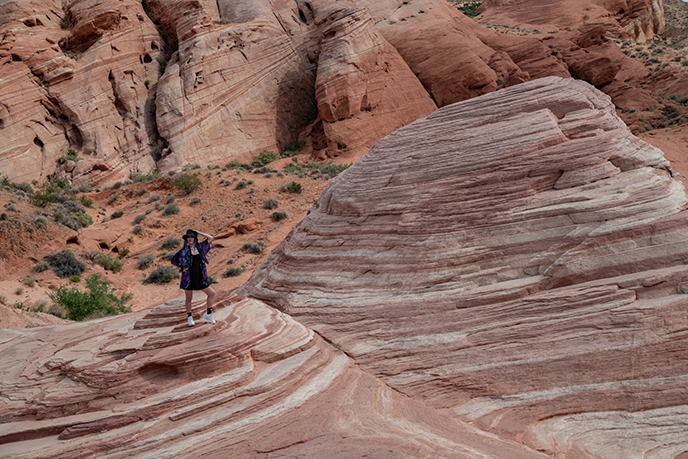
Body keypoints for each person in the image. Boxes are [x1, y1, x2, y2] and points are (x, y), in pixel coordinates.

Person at [171, 229, 217, 326]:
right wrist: (181, 268)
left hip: (201, 276)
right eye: (188, 237)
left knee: (212, 294)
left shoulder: (201, 247)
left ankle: (209, 313)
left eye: (191, 236)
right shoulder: (183, 251)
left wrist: (199, 232)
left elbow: (211, 238)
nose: (189, 238)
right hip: (188, 278)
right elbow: (174, 260)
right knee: (189, 298)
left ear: (195, 238)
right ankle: (189, 317)